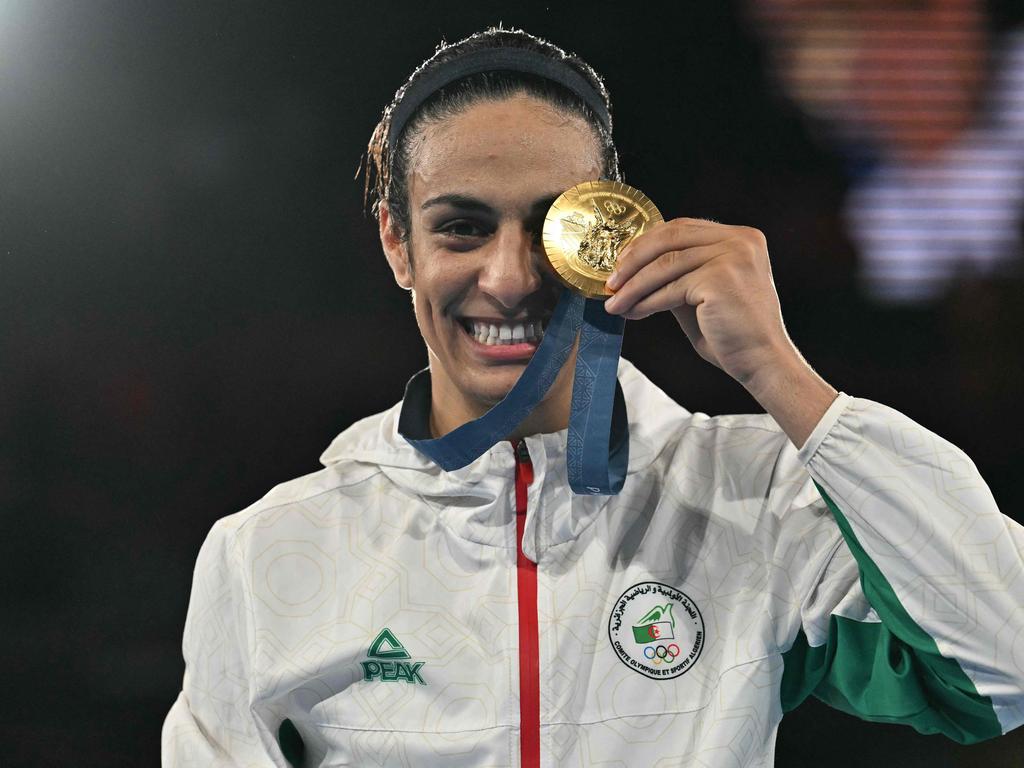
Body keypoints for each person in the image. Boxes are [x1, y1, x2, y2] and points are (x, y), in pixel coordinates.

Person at [162, 27, 1024, 767]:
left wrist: (780, 372)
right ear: (398, 243)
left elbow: (1008, 665)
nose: (507, 278)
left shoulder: (757, 497)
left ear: (610, 233)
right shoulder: (268, 552)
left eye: (549, 228)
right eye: (462, 226)